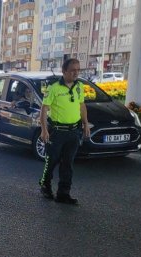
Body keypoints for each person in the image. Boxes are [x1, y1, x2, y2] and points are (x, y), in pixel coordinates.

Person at [38, 58, 90, 205]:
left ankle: (63, 194)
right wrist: (44, 129)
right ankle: (45, 185)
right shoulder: (53, 88)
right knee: (52, 160)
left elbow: (82, 106)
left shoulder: (79, 86)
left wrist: (85, 123)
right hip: (57, 132)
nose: (76, 73)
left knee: (68, 164)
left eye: (78, 70)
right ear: (64, 71)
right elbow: (44, 109)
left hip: (73, 132)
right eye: (73, 70)